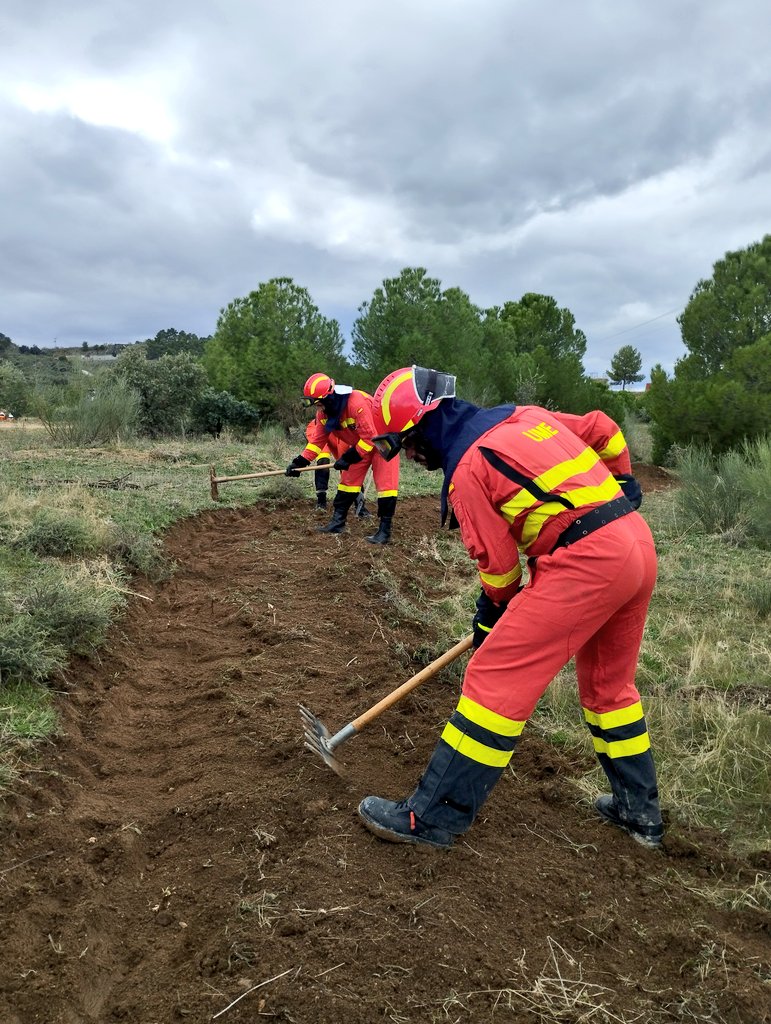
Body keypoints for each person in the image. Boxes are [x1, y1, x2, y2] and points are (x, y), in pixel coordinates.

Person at [357, 365, 663, 850]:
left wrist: (489, 616)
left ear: (428, 422)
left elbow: (501, 571)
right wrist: (623, 483)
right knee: (610, 688)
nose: (410, 456)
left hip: (587, 562)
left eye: (405, 443)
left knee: (494, 678)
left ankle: (431, 818)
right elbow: (603, 427)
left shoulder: (469, 468)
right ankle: (639, 813)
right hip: (636, 546)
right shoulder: (524, 415)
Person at [285, 373, 398, 543]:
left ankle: (384, 531)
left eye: (319, 404)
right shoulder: (323, 413)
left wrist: (349, 457)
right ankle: (338, 523)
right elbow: (317, 442)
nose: (318, 408)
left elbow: (370, 438)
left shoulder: (357, 404)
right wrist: (299, 462)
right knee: (348, 483)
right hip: (360, 445)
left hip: (381, 443)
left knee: (385, 486)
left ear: (329, 398)